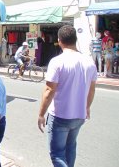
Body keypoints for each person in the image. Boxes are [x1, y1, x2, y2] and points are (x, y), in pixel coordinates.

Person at [38, 25, 97, 167]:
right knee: (70, 148)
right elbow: (92, 90)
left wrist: (41, 114)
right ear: (75, 39)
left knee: (57, 154)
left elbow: (49, 91)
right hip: (79, 116)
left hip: (60, 116)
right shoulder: (89, 61)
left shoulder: (57, 61)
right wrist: (87, 107)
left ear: (59, 41)